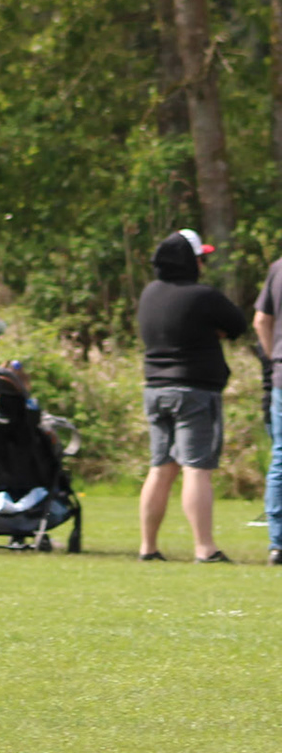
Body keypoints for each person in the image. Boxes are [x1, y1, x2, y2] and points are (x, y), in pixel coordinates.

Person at [137, 229, 245, 563]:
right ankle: (204, 548)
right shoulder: (203, 296)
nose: (203, 265)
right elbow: (238, 325)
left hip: (155, 390)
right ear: (190, 261)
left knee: (160, 468)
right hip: (194, 391)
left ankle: (148, 547)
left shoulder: (149, 293)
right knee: (197, 468)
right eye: (201, 258)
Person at [255, 250, 282, 567]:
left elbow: (261, 320)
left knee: (280, 457)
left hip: (281, 375)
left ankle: (278, 543)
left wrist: (273, 358)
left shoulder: (278, 268)